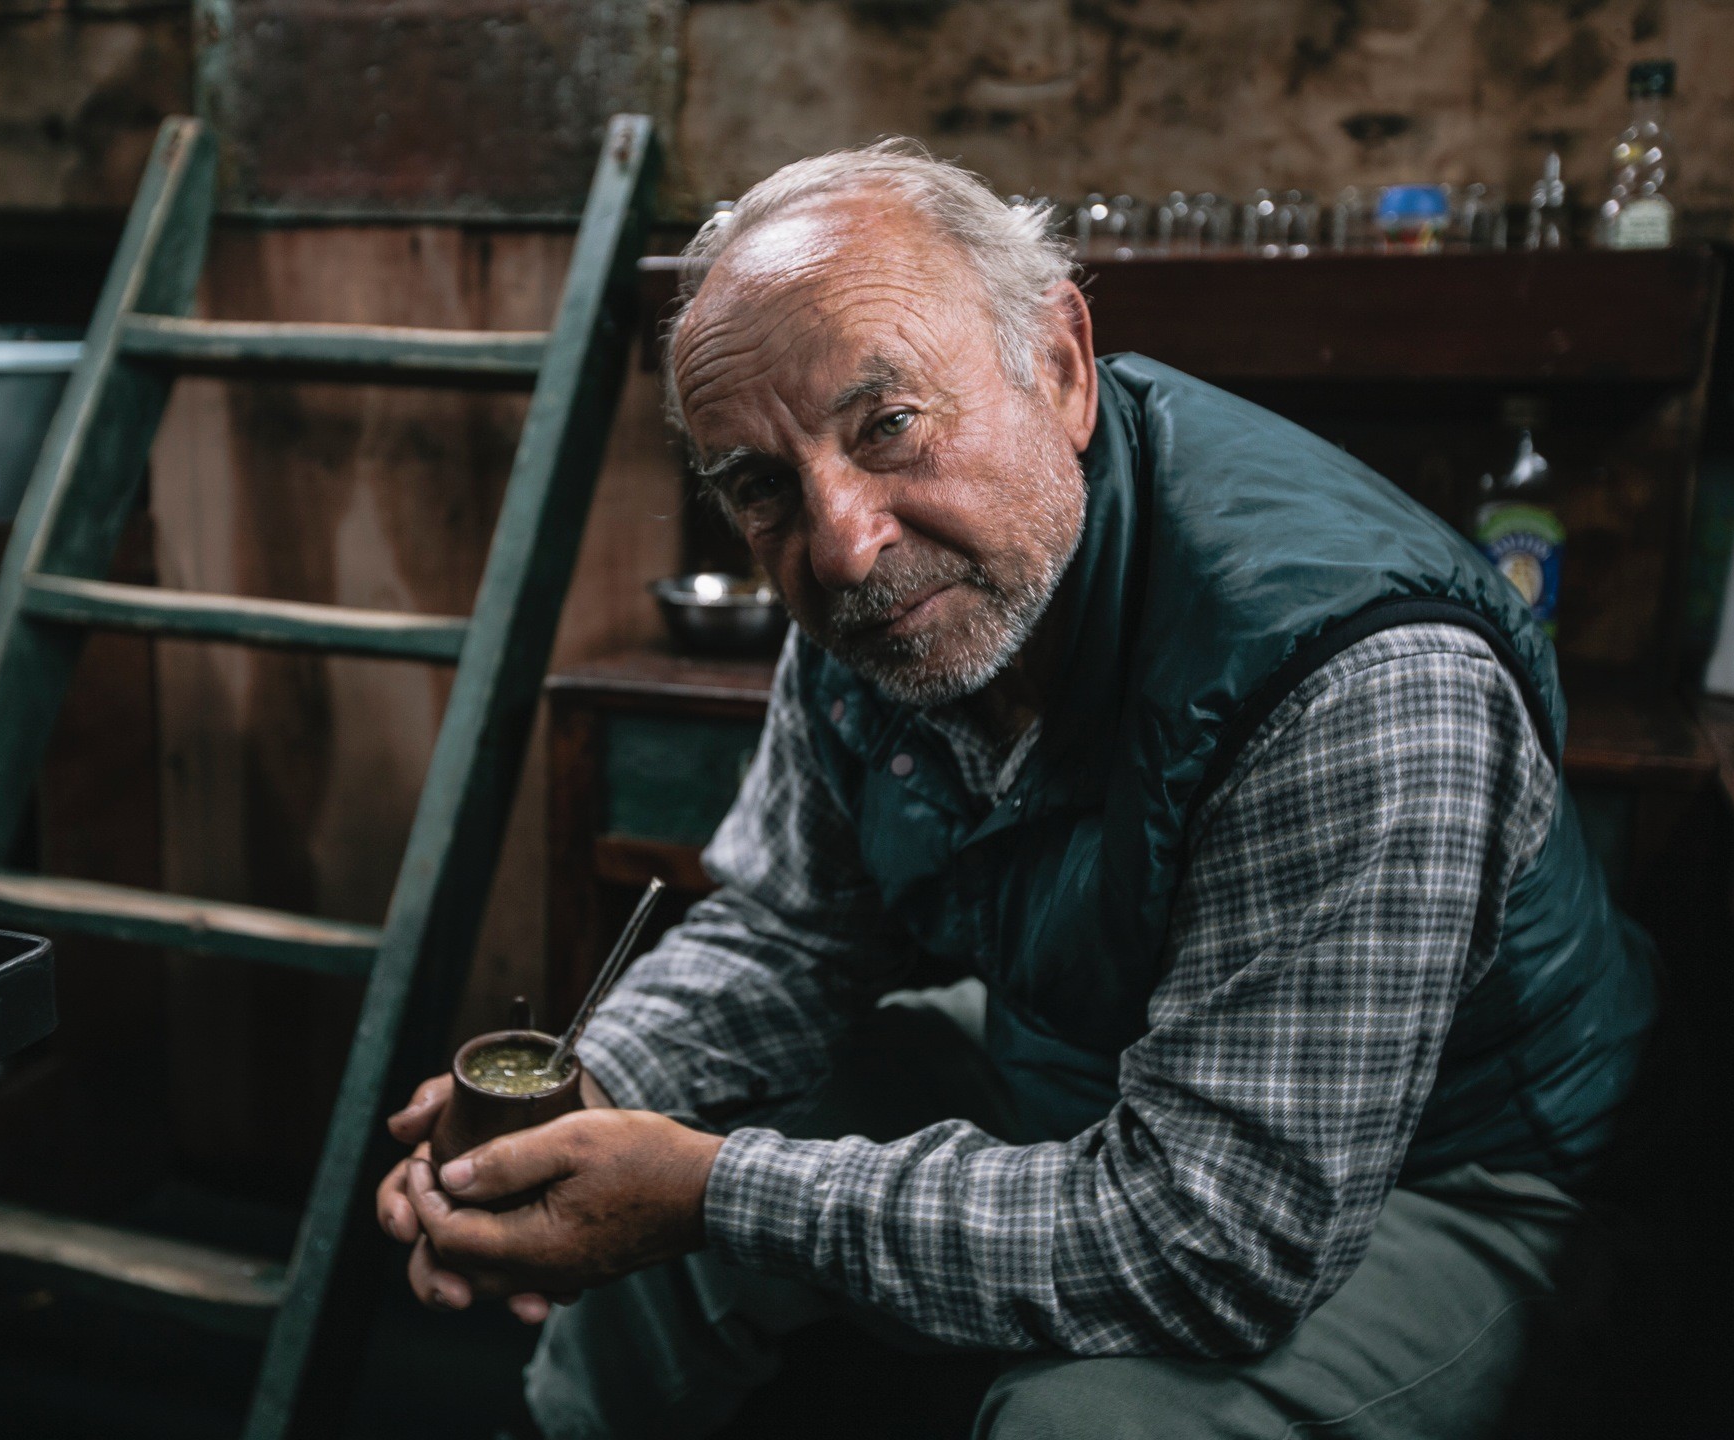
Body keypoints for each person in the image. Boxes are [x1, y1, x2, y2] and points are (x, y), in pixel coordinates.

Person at [375, 140, 1656, 1438]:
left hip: (1449, 1167)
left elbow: (1216, 1236)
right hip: (1080, 1059)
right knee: (642, 1206)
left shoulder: (1358, 678)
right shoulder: (891, 598)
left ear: (1061, 366)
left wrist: (714, 1192)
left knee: (1085, 1426)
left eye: (889, 425)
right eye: (762, 485)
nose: (842, 543)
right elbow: (788, 933)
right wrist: (586, 1093)